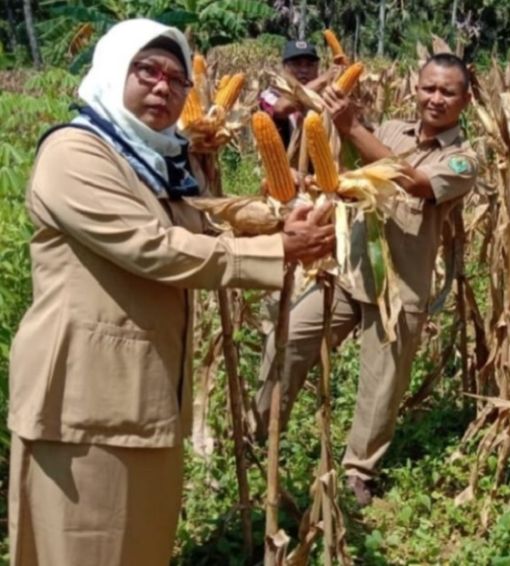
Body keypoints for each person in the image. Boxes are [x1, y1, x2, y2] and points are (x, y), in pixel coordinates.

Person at [6, 19, 334, 566]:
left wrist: (277, 217)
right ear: (112, 73)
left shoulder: (153, 160)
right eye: (148, 71)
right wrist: (280, 252)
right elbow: (153, 247)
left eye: (176, 80)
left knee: (142, 544)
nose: (163, 87)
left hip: (145, 392)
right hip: (82, 398)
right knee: (83, 546)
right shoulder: (76, 154)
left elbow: (202, 219)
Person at [260, 52, 478, 506]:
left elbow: (411, 182)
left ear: (466, 99)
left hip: (400, 288)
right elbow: (353, 178)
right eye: (428, 88)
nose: (435, 99)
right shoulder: (393, 128)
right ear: (415, 89)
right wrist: (310, 172)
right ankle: (258, 432)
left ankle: (359, 470)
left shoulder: (462, 159)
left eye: (447, 92)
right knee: (289, 340)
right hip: (348, 271)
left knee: (380, 387)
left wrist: (352, 128)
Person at [258, 39, 338, 147]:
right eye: (296, 64)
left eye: (310, 65)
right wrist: (322, 80)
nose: (304, 70)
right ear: (284, 67)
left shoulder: (328, 95)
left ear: (317, 68)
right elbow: (281, 108)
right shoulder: (270, 94)